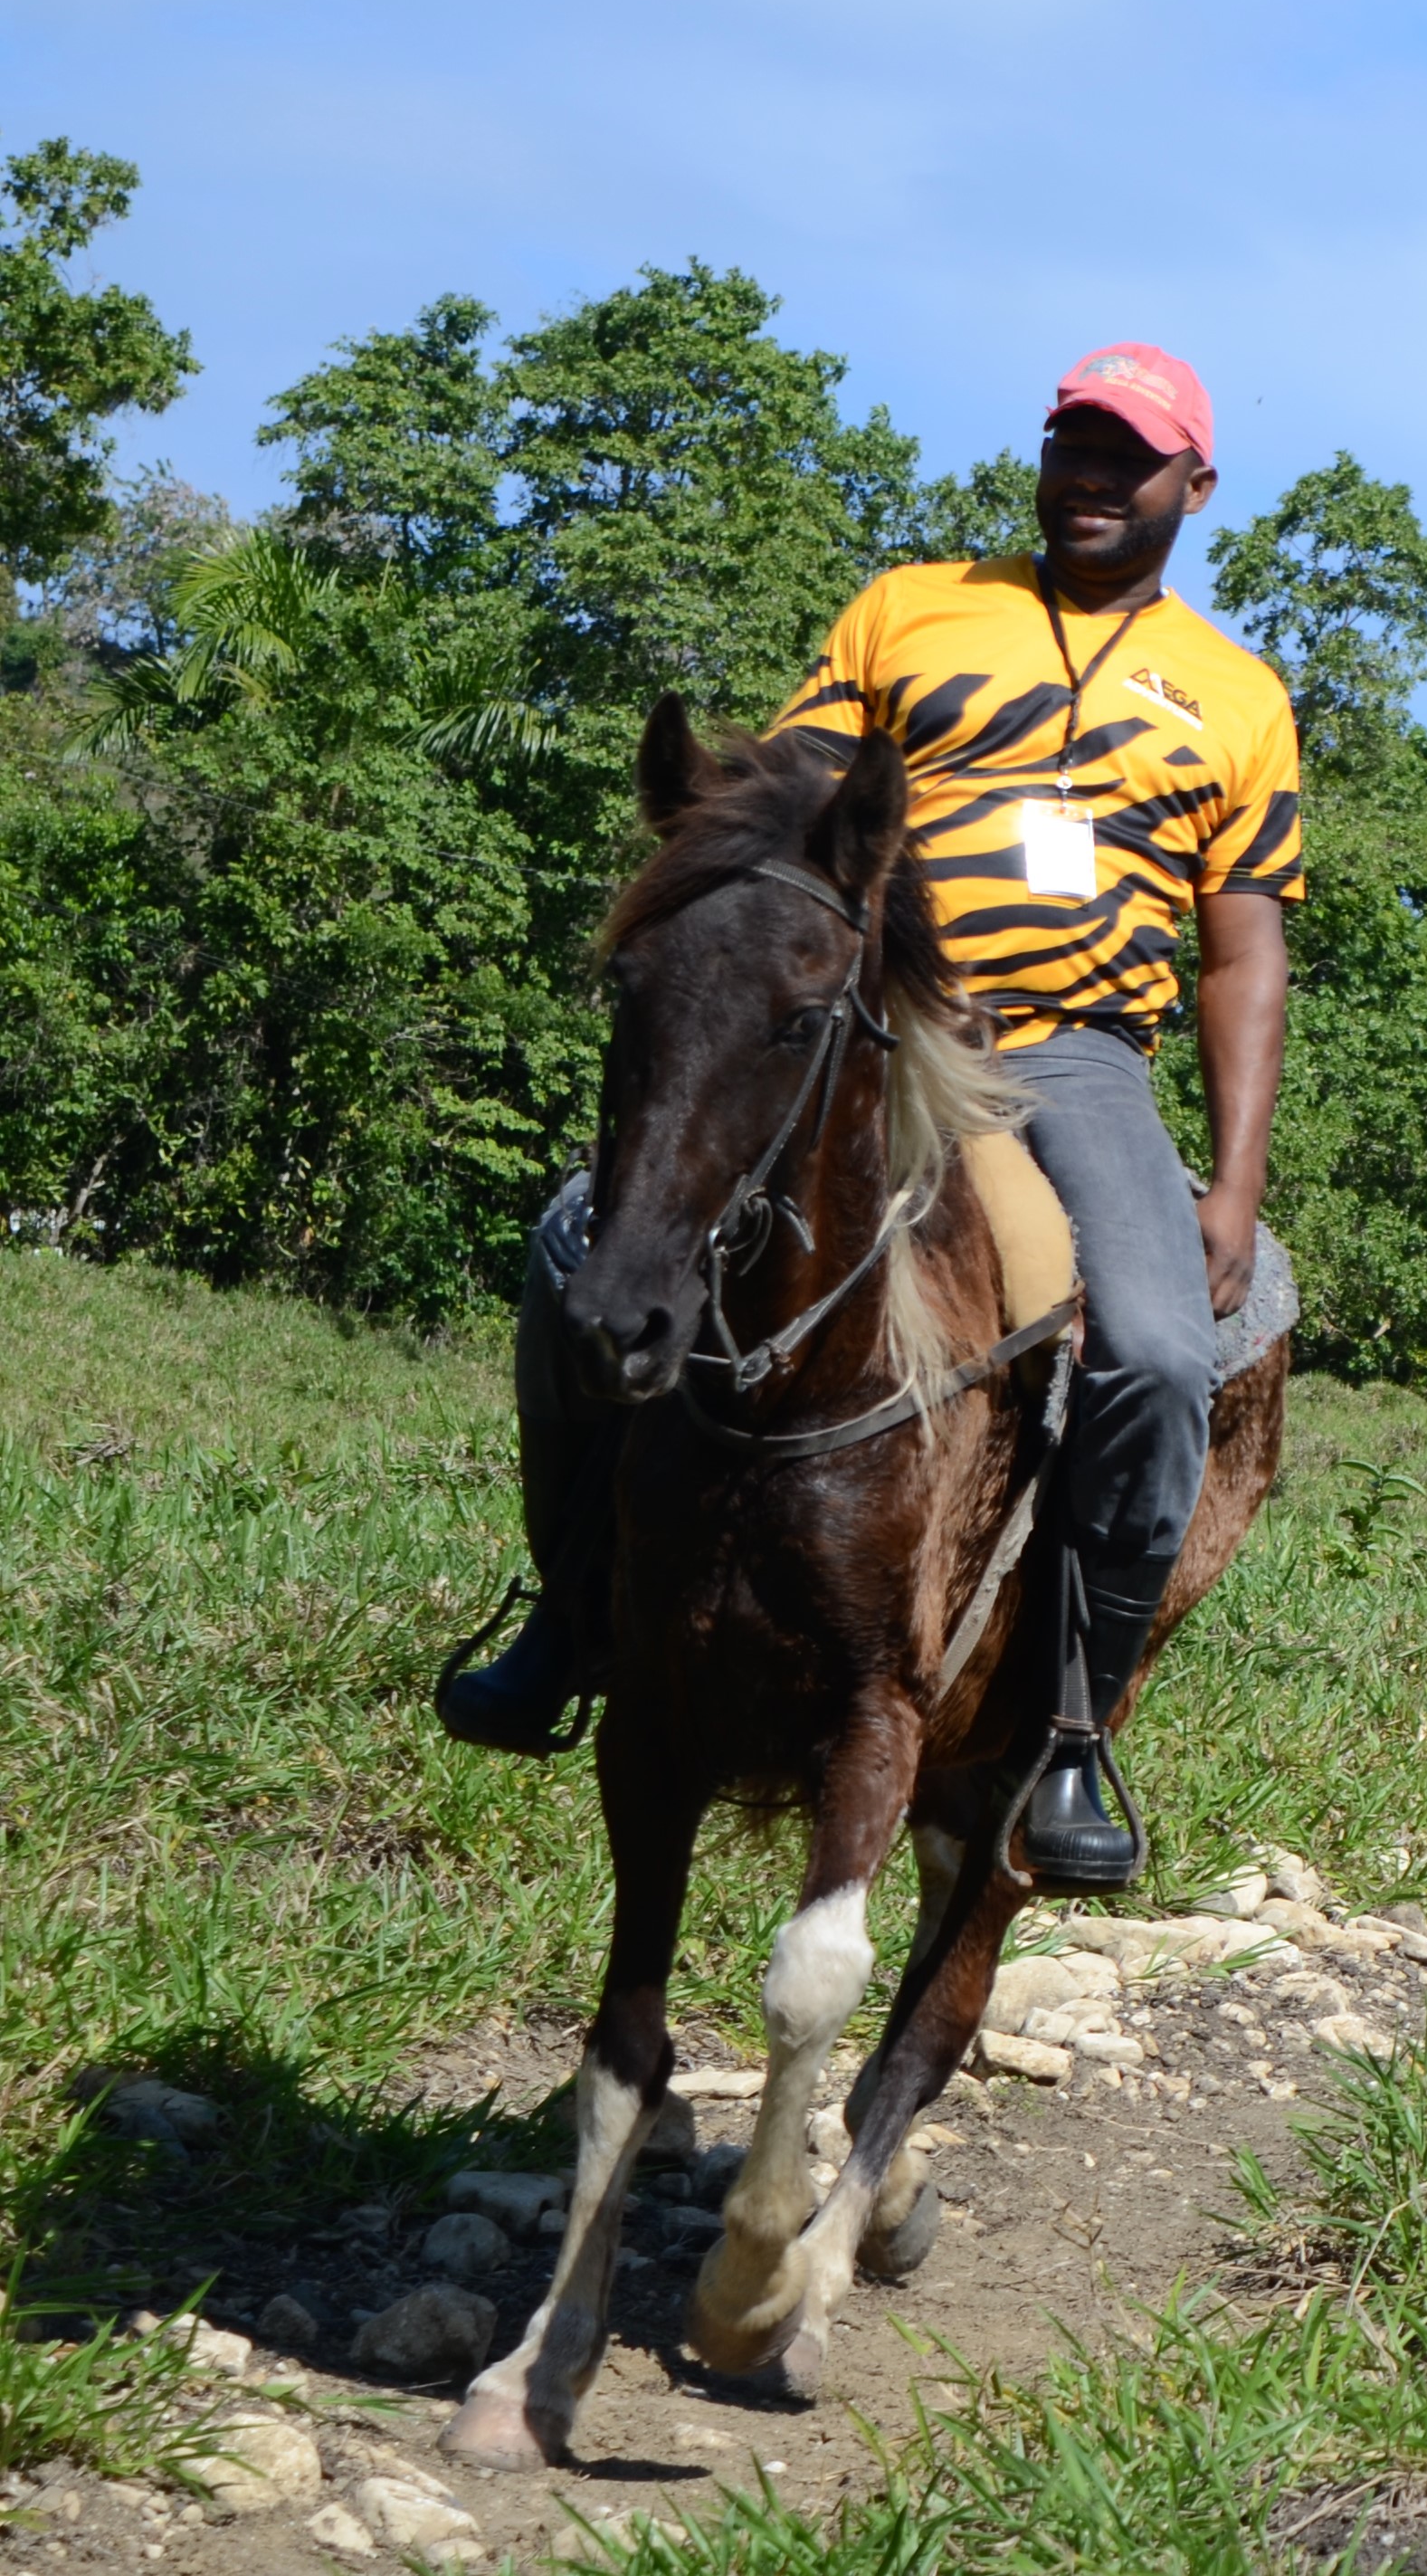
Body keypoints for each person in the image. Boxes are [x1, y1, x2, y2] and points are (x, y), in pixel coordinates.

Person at [438, 341, 1302, 1889]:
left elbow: (1243, 952)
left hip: (1075, 1055)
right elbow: (786, 812)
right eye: (1074, 446)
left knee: (1166, 1352)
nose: (1093, 477)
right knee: (581, 1234)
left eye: (1129, 455)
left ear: (1194, 482)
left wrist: (1231, 1184)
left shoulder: (1238, 697)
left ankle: (1072, 1730)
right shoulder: (909, 609)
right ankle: (567, 1609)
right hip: (879, 1023)